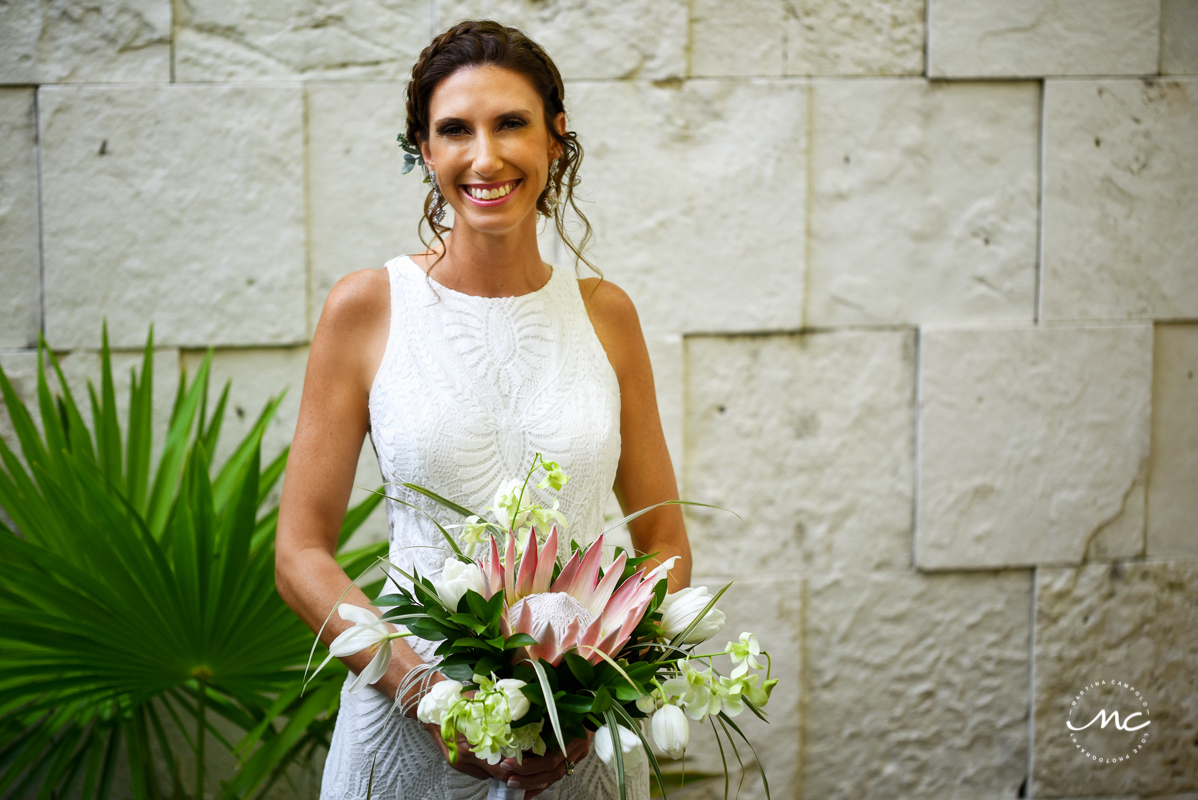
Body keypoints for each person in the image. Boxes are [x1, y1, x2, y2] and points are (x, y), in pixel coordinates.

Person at [275, 19, 691, 800]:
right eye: (455, 131)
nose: (485, 156)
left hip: (578, 744)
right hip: (402, 736)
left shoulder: (608, 315)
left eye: (511, 124)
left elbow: (663, 537)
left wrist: (599, 684)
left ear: (556, 139)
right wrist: (424, 694)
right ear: (425, 151)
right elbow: (300, 554)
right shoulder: (367, 307)